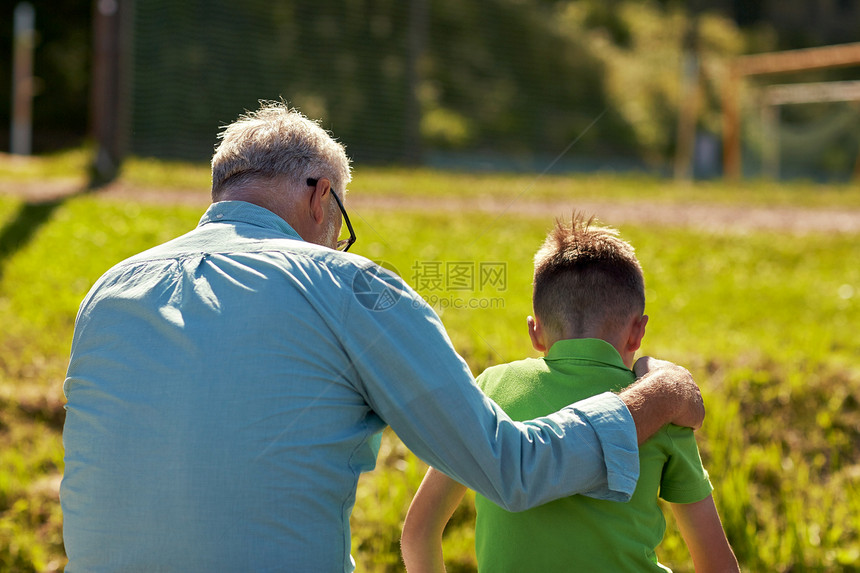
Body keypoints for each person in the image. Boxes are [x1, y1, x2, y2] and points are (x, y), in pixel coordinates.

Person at [61, 101, 705, 572]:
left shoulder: (108, 292)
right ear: (320, 198)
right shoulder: (347, 285)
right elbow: (511, 468)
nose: (338, 238)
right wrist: (657, 396)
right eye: (341, 218)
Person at [401, 214, 739, 572]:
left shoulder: (491, 389)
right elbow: (717, 565)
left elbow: (419, 531)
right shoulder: (662, 411)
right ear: (637, 332)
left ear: (535, 333)